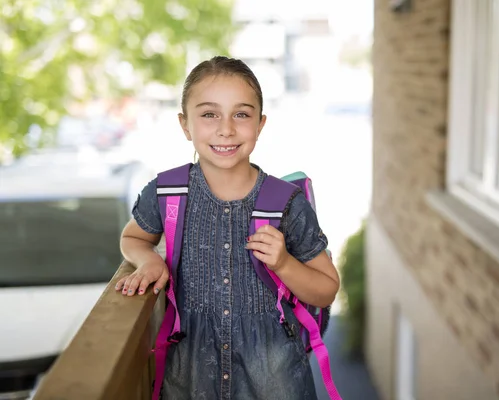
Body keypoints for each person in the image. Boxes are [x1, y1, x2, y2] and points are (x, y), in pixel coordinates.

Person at [115, 56, 340, 400]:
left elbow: (326, 289)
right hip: (189, 377)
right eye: (209, 114)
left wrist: (284, 264)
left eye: (241, 114)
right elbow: (133, 237)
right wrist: (149, 260)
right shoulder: (166, 193)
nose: (226, 129)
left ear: (260, 124)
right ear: (185, 125)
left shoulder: (287, 203)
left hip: (275, 380)